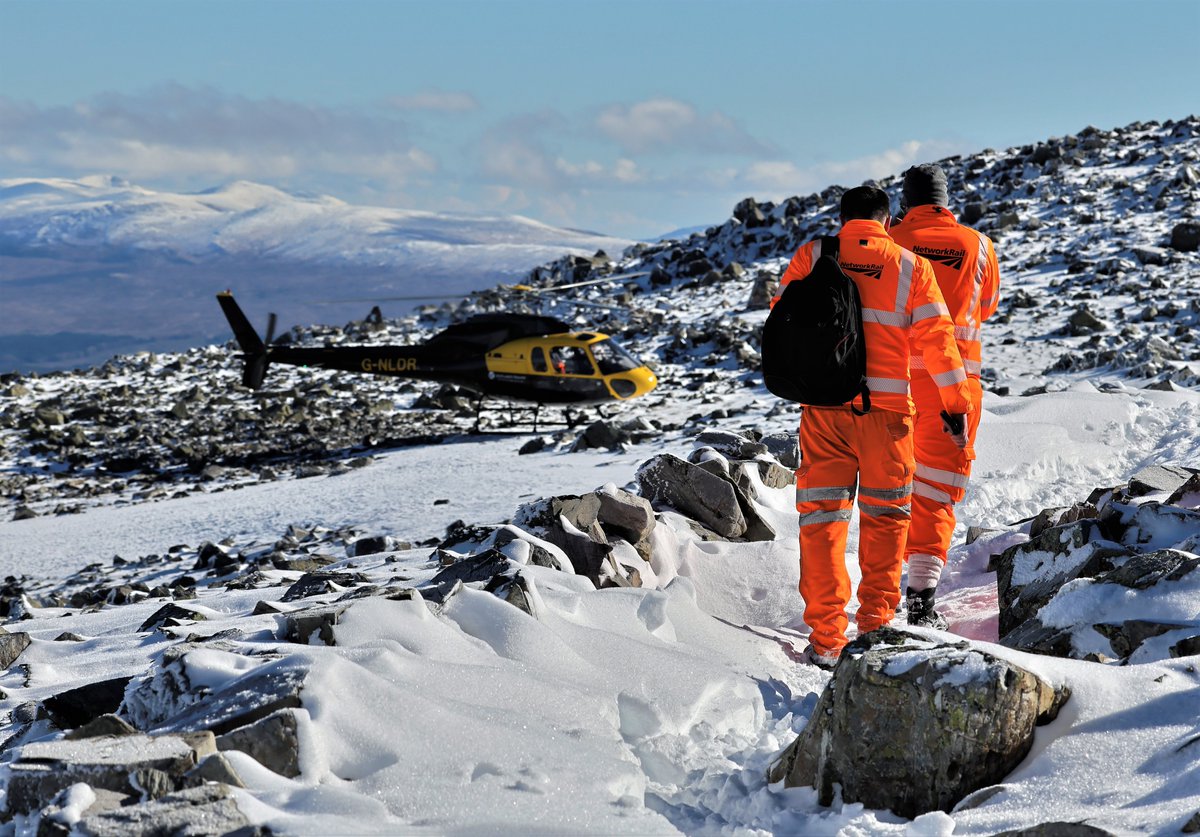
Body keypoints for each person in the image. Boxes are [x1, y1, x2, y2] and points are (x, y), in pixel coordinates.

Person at [772, 185, 972, 668]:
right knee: (886, 521)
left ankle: (825, 639)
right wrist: (955, 404)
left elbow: (782, 322)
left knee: (822, 524)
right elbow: (938, 343)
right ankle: (877, 629)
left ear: (843, 219)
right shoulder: (911, 267)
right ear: (886, 221)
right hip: (888, 420)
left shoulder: (813, 254)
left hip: (822, 415)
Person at [889, 164, 1001, 628]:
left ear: (905, 200)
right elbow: (987, 307)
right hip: (952, 392)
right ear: (945, 198)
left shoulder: (888, 242)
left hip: (891, 387)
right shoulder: (979, 246)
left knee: (889, 489)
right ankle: (920, 599)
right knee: (936, 493)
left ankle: (880, 592)